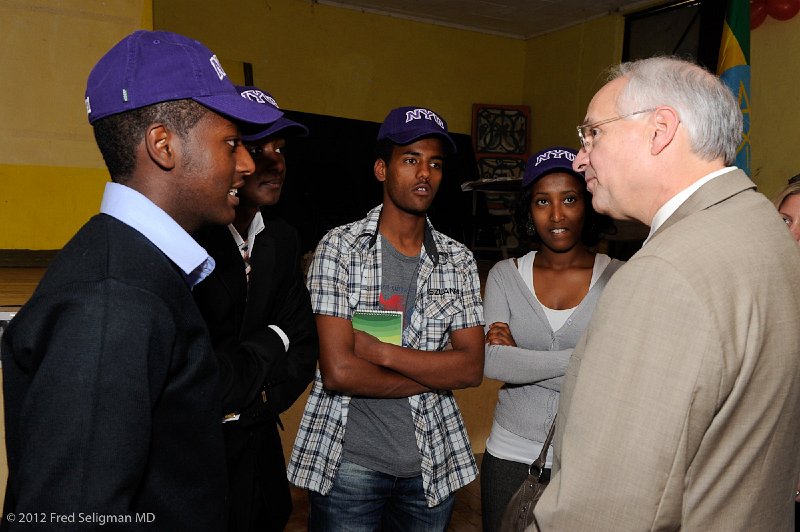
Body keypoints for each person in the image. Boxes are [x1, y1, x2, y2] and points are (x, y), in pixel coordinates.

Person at [0, 30, 281, 530]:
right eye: (232, 143)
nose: (246, 164)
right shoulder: (111, 303)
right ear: (163, 145)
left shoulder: (139, 271)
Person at [532, 56, 800, 531]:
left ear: (660, 130)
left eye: (594, 133)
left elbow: (607, 510)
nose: (581, 157)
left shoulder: (665, 272)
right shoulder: (763, 228)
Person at [287, 106, 485, 531]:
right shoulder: (339, 249)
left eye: (435, 163)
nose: (424, 174)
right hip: (350, 466)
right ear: (382, 169)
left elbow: (470, 368)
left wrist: (379, 352)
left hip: (433, 464)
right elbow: (339, 371)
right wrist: (435, 372)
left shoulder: (458, 260)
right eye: (410, 159)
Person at [192, 84, 319, 531]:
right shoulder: (192, 241)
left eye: (279, 148)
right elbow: (199, 366)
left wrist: (261, 403)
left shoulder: (283, 240)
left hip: (260, 444)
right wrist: (272, 339)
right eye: (256, 145)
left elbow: (302, 342)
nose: (274, 161)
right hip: (200, 453)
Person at [479, 147, 622, 532]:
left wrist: (522, 358)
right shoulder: (505, 277)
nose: (557, 215)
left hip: (588, 457)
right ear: (529, 210)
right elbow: (493, 363)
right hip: (508, 453)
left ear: (588, 204)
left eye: (570, 199)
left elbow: (621, 375)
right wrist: (589, 358)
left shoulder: (622, 279)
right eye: (543, 201)